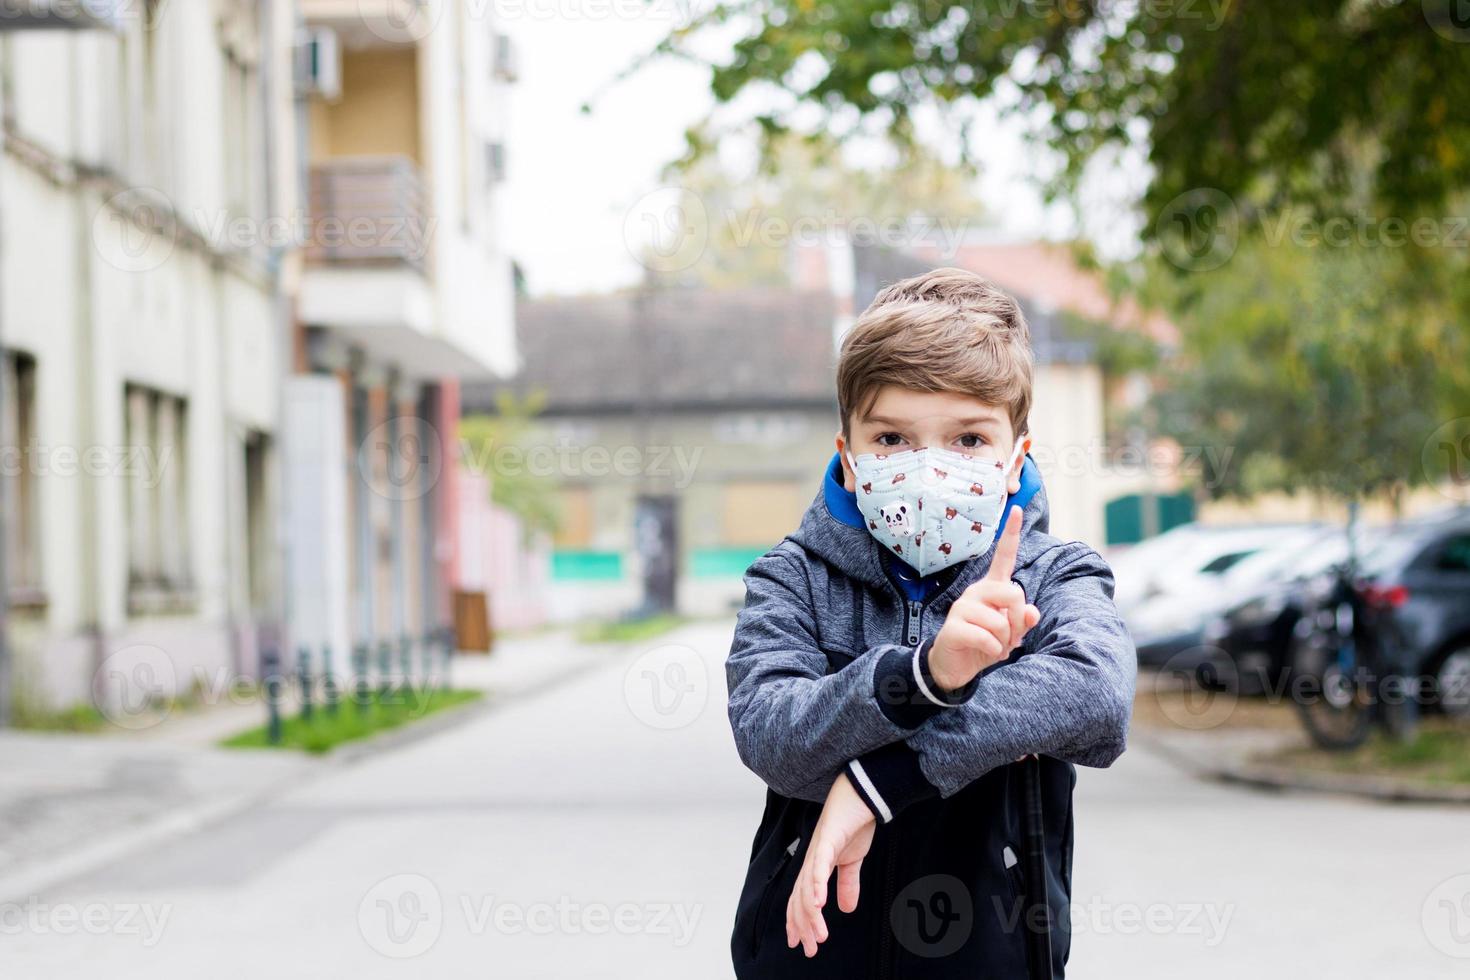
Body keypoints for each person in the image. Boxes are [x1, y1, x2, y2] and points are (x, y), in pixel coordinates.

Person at [726, 268, 1137, 979]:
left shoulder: (1057, 575)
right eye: (891, 438)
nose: (929, 468)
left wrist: (880, 780)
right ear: (848, 460)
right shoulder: (789, 576)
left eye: (969, 439)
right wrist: (925, 676)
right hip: (808, 957)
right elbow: (773, 734)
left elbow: (1096, 700)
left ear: (1016, 459)